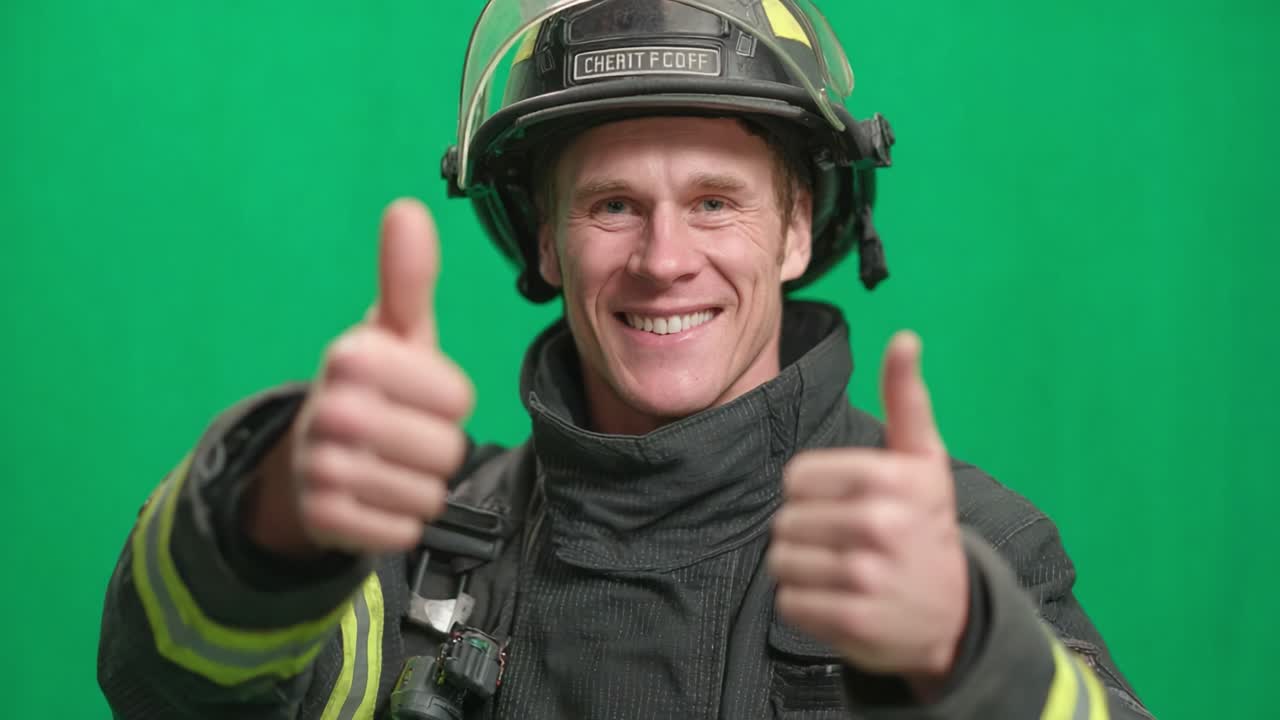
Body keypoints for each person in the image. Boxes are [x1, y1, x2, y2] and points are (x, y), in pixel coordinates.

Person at [97, 1, 1155, 718]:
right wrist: (271, 514)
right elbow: (168, 687)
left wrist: (963, 650)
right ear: (545, 242)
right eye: (612, 206)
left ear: (795, 231)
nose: (662, 260)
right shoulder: (405, 547)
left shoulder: (960, 550)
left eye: (712, 202)